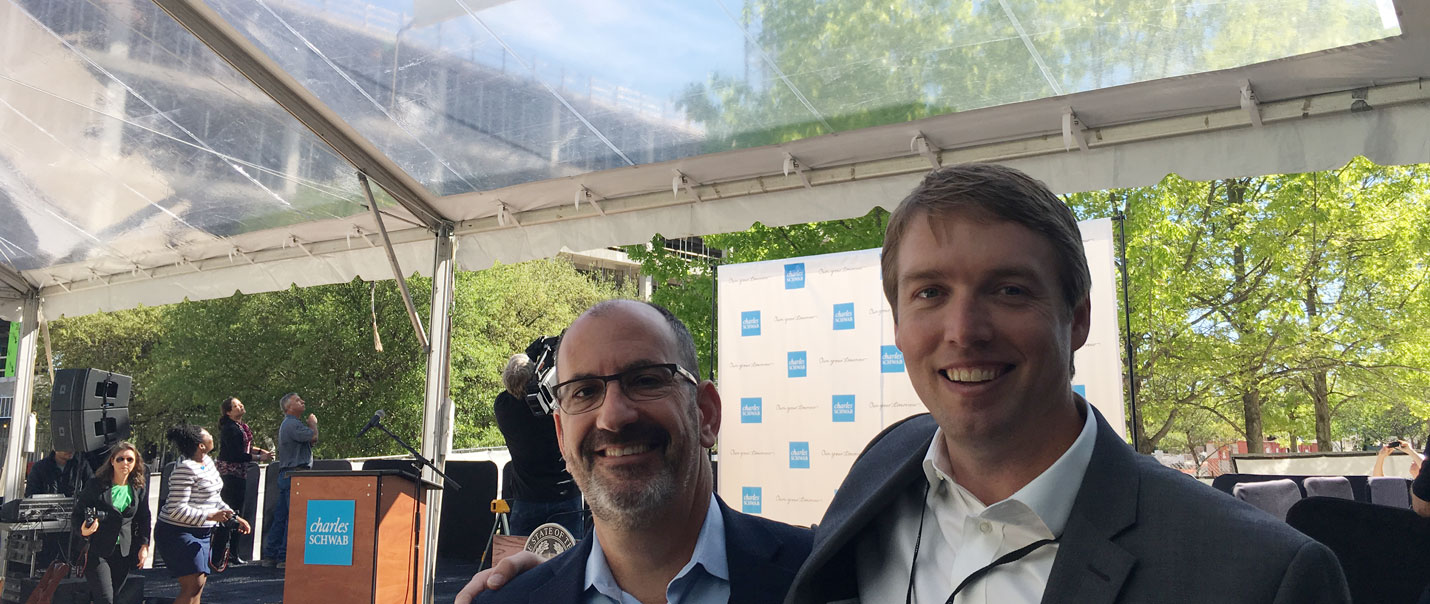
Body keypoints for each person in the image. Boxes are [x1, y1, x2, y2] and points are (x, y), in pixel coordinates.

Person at [784, 163, 1350, 603]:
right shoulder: (886, 466)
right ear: (900, 325)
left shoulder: (1260, 576)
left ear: (1077, 319)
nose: (964, 331)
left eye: (1009, 290)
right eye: (930, 292)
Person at [455, 299, 812, 604]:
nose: (612, 417)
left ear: (706, 414)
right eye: (584, 391)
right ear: (562, 437)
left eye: (646, 380)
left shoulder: (833, 575)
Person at [154, 424, 249, 604]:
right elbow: (176, 509)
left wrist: (234, 516)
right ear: (200, 445)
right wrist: (211, 516)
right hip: (177, 532)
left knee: (199, 584)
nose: (212, 436)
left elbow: (213, 498)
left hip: (202, 532)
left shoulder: (207, 461)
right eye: (208, 435)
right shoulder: (185, 468)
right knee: (192, 584)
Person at [494, 351, 584, 538]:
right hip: (565, 496)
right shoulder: (554, 406)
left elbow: (517, 379)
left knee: (522, 561)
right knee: (569, 560)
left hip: (527, 499)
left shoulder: (503, 407)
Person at [71, 442, 151, 604]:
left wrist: (144, 545)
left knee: (114, 597)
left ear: (135, 463)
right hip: (98, 550)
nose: (125, 463)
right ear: (112, 461)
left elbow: (144, 517)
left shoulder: (137, 487)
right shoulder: (96, 485)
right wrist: (83, 531)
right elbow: (77, 514)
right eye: (120, 459)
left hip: (124, 552)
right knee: (105, 599)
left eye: (130, 459)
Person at [261, 392, 317, 568]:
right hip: (295, 474)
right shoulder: (292, 424)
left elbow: (309, 442)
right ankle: (285, 556)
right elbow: (313, 437)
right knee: (293, 516)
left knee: (282, 515)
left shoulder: (292, 424)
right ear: (288, 407)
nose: (302, 402)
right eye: (297, 400)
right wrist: (313, 425)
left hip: (287, 474)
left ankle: (271, 554)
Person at [213, 397, 271, 566]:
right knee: (230, 512)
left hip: (240, 473)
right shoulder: (229, 429)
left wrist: (261, 451)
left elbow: (245, 446)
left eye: (240, 404)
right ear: (228, 412)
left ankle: (233, 553)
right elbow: (237, 454)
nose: (241, 406)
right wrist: (260, 457)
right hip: (230, 474)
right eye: (236, 406)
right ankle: (218, 555)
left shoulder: (241, 427)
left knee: (239, 511)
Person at [25, 446, 93, 496]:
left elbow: (92, 489)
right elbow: (31, 494)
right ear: (54, 446)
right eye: (65, 444)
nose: (70, 448)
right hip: (46, 512)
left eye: (72, 444)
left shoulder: (82, 465)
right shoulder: (39, 468)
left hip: (76, 512)